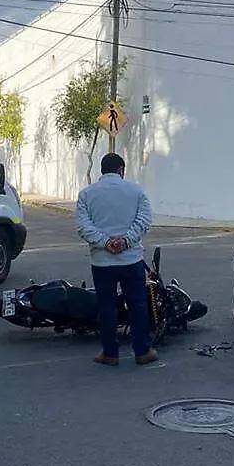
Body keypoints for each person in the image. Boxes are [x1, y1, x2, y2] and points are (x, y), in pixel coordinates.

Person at [75, 152, 157, 366]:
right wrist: (125, 241)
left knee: (106, 306)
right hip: (131, 260)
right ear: (121, 169)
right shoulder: (137, 191)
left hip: (102, 261)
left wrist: (106, 242)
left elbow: (84, 227)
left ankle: (110, 353)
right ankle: (142, 351)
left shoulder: (86, 194)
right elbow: (144, 221)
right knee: (137, 304)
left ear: (102, 170)